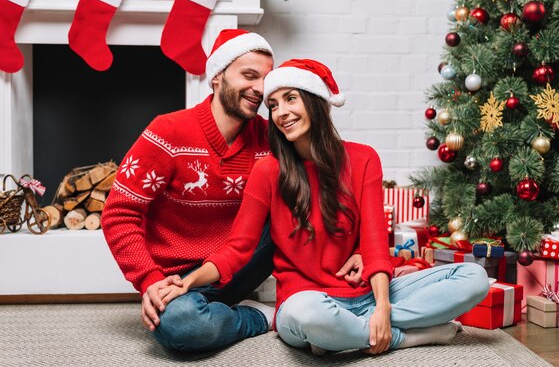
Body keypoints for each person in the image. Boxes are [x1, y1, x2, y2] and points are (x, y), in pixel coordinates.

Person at [157, 59, 491, 355]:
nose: (281, 112)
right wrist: (190, 282)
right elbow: (238, 248)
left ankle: (346, 332)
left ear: (317, 102)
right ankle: (410, 337)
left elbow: (375, 242)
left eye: (291, 99)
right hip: (306, 300)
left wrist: (383, 310)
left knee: (474, 278)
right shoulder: (268, 171)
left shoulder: (363, 159)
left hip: (367, 294)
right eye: (273, 105)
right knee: (307, 316)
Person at [101, 30, 364, 352]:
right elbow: (119, 213)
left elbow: (330, 185)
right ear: (217, 78)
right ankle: (261, 316)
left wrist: (361, 247)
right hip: (179, 278)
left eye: (265, 81)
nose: (259, 89)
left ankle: (309, 302)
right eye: (249, 75)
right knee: (182, 326)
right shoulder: (168, 132)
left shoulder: (272, 138)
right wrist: (150, 280)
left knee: (299, 196)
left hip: (244, 262)